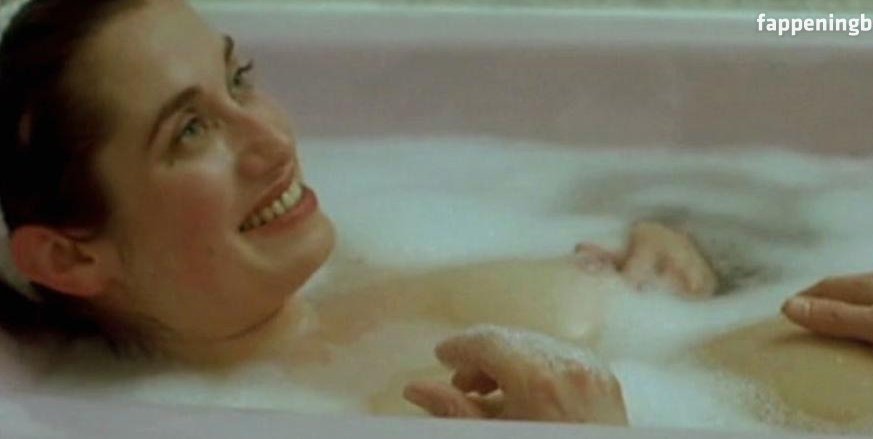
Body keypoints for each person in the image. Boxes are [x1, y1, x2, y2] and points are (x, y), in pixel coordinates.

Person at [0, 0, 719, 425]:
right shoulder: (290, 418)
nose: (273, 139)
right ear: (70, 256)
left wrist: (674, 245)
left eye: (238, 80)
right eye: (190, 130)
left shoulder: (381, 265)